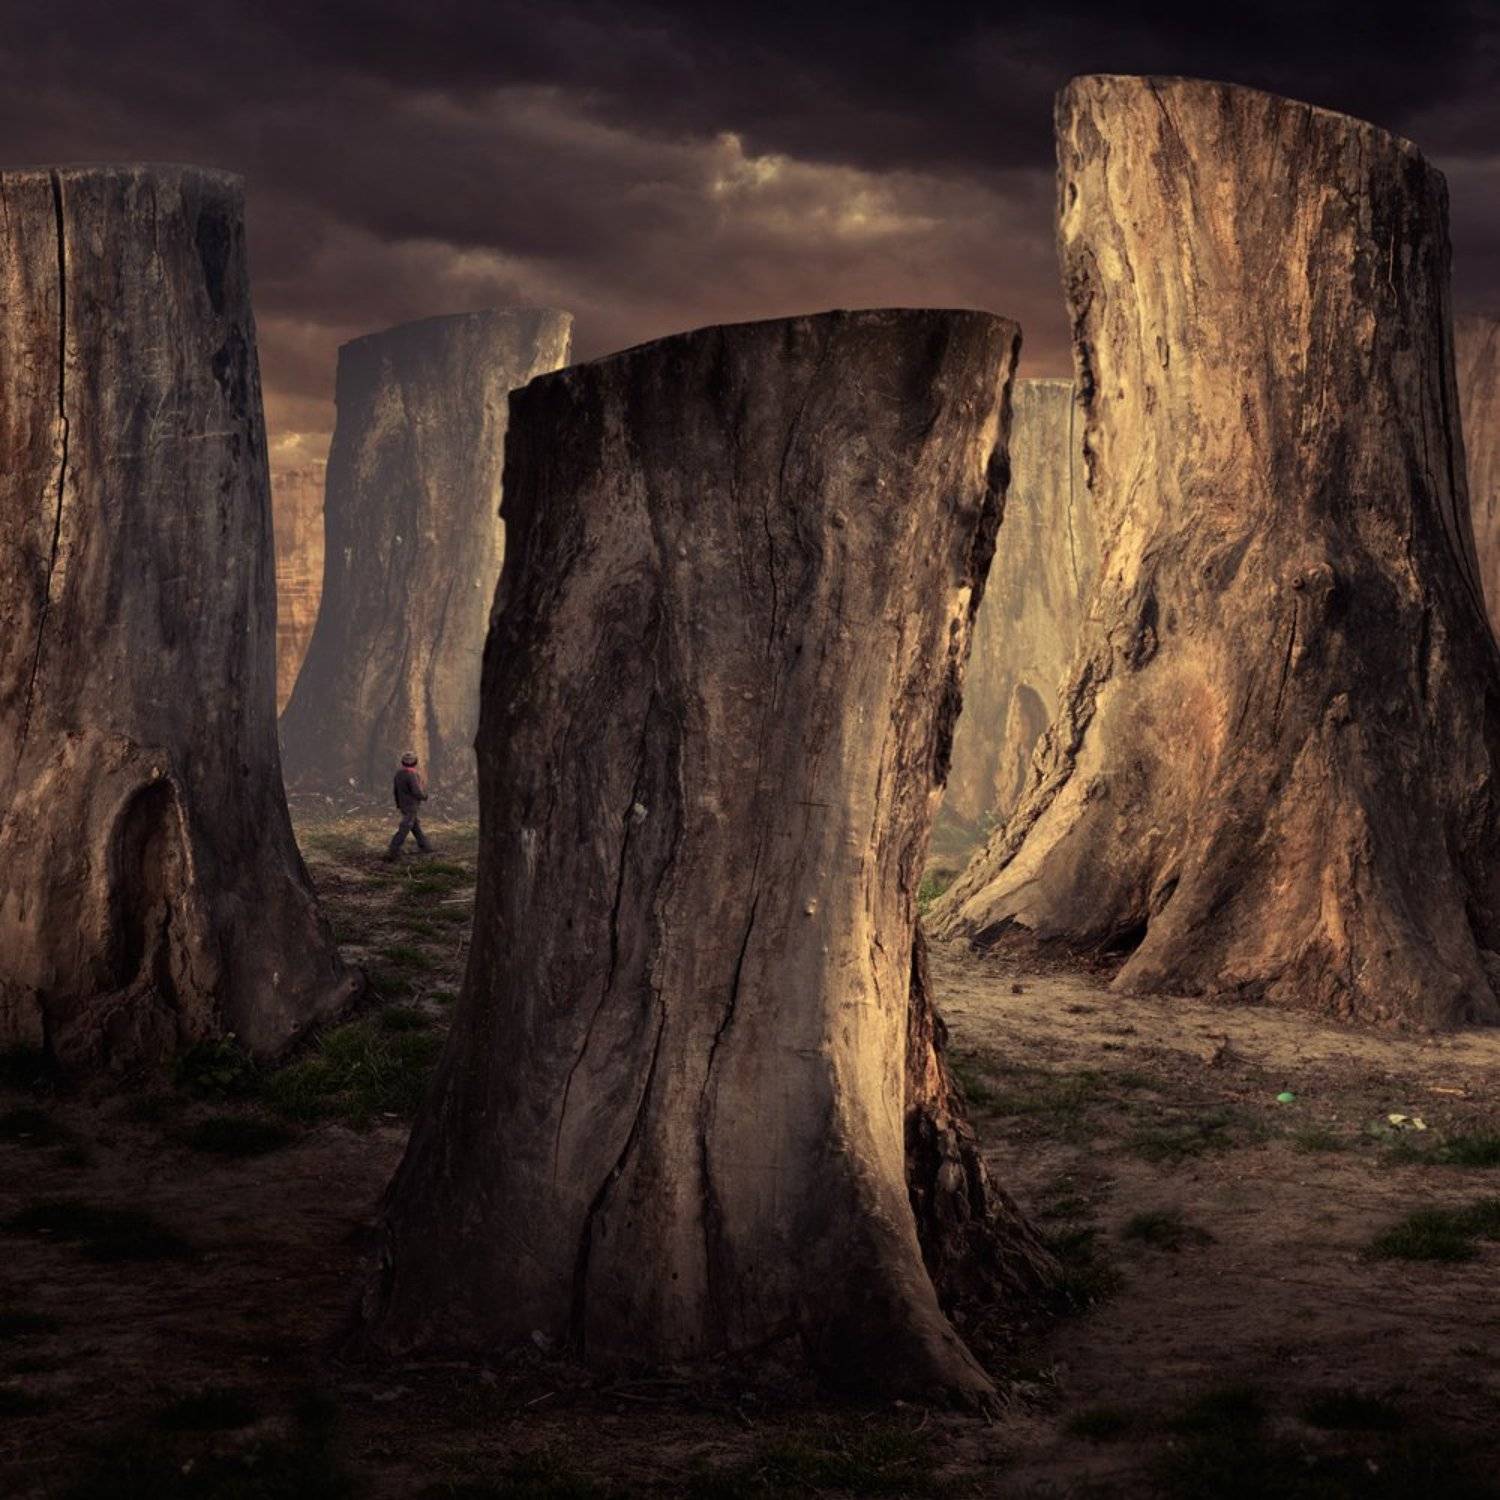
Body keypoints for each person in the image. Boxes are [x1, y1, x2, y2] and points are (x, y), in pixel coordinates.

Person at [386, 752, 432, 859]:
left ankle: (425, 846)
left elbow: (395, 791)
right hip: (411, 805)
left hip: (403, 804)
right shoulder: (412, 774)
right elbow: (416, 791)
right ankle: (393, 849)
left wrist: (398, 803)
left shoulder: (399, 774)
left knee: (415, 826)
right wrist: (425, 796)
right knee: (405, 827)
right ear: (415, 762)